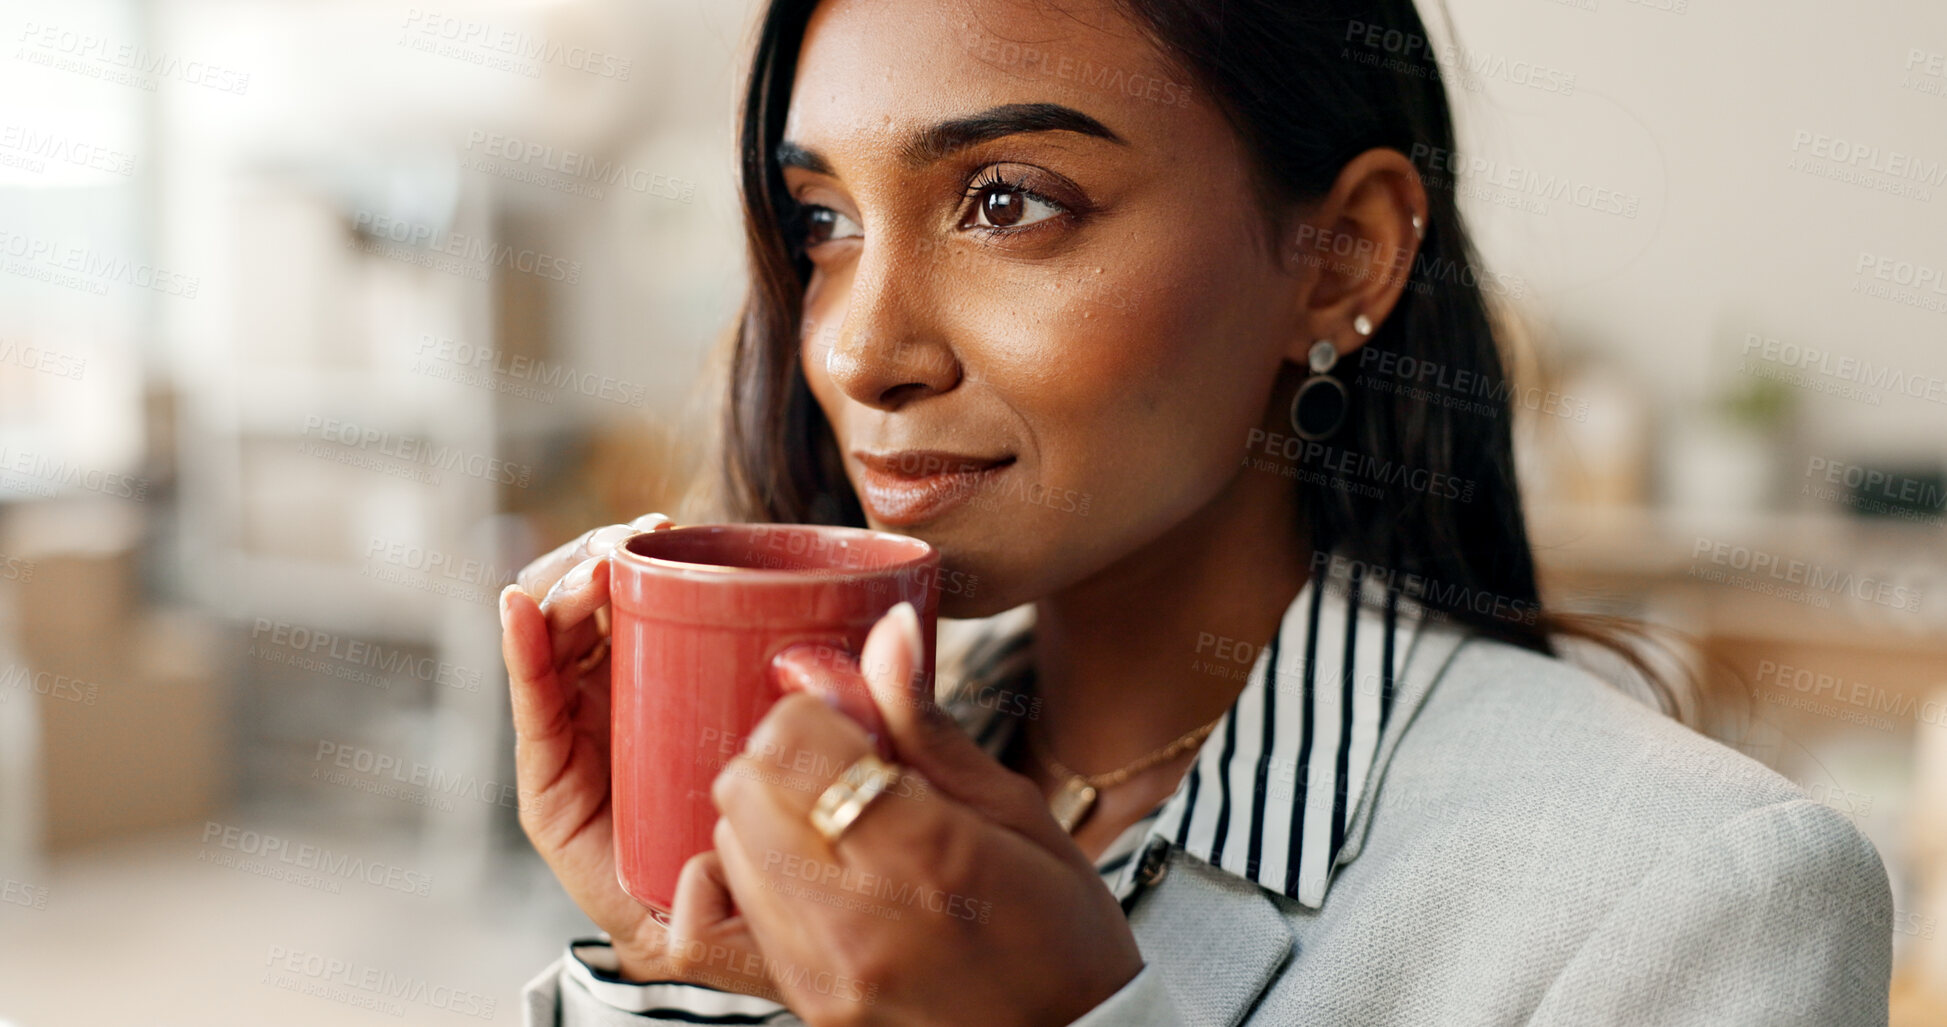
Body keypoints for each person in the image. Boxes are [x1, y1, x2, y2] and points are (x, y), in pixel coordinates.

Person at [496, 0, 1895, 1023]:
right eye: (822, 222)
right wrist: (684, 959)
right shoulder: (861, 788)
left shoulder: (1691, 900)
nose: (861, 351)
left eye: (1004, 201)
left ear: (1339, 255)